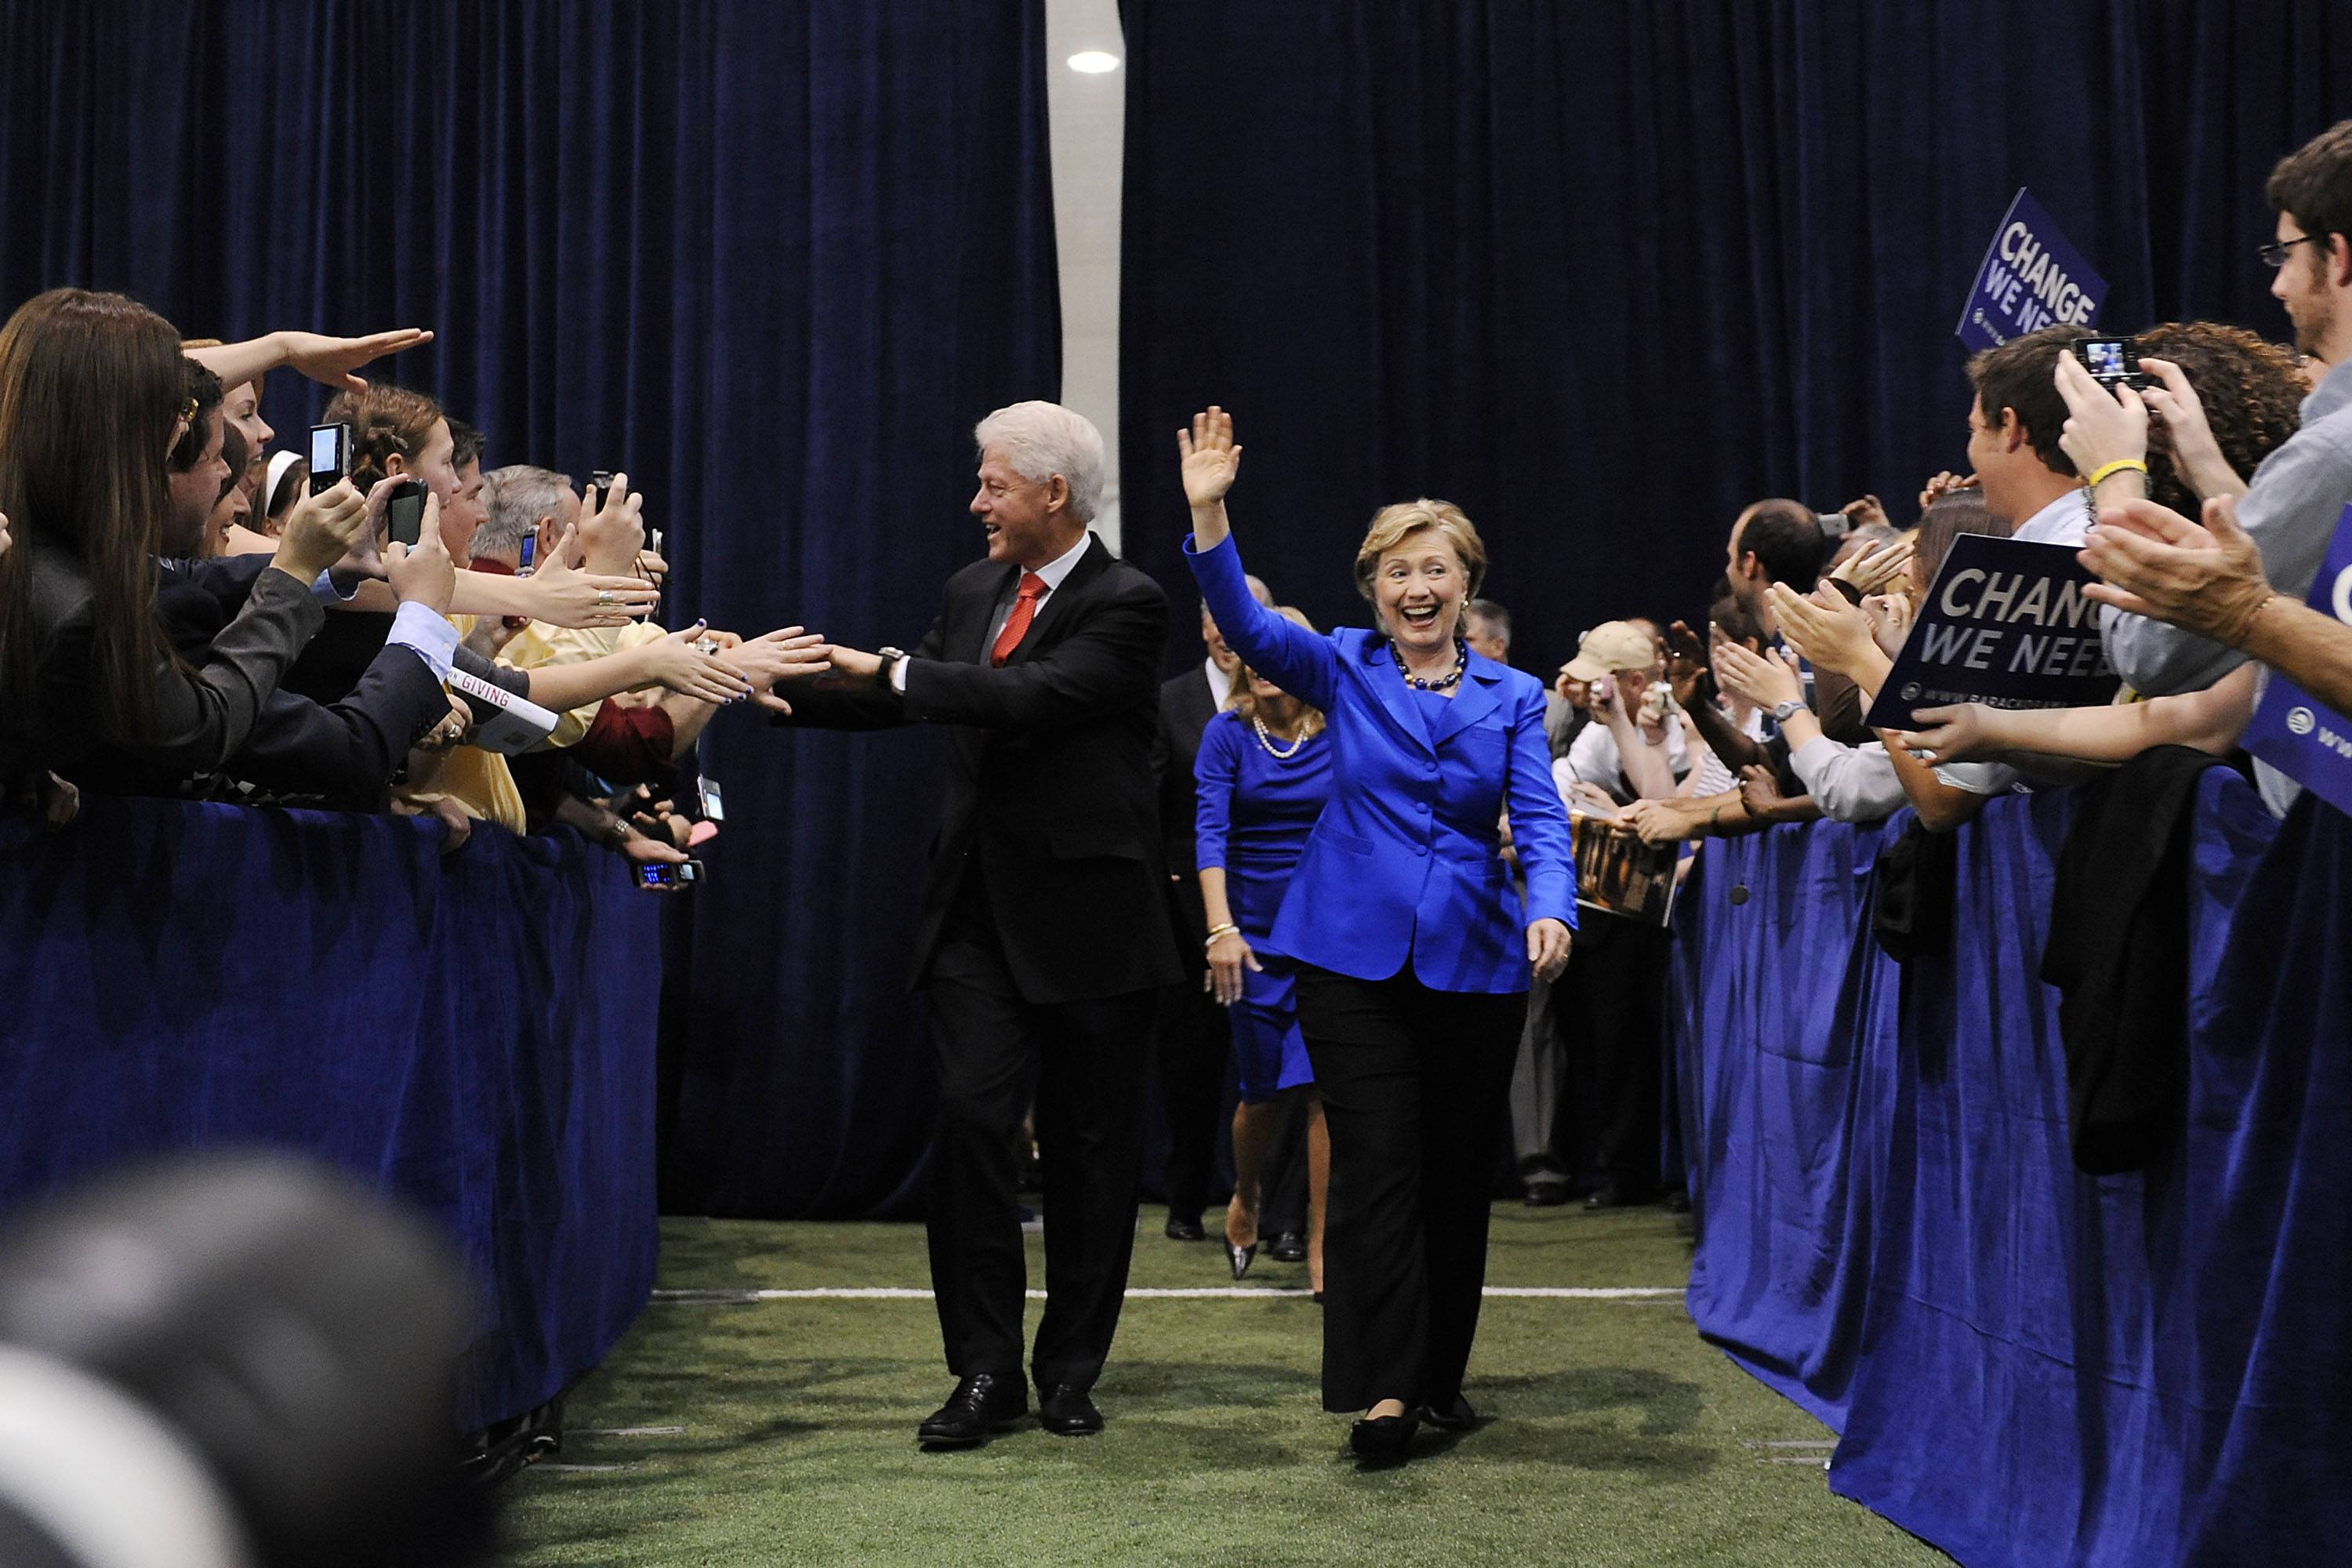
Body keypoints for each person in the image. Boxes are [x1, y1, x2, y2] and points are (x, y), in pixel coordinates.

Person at [774, 400, 1177, 1448]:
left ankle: (1070, 1370)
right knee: (969, 1124)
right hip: (976, 918)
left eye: (994, 485)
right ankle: (986, 1370)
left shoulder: (1128, 602)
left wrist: (893, 671)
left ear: (1055, 492)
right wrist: (771, 684)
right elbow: (907, 697)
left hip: (1095, 924)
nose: (976, 503)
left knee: (1092, 1154)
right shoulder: (972, 590)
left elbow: (1032, 695)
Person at [1177, 406, 1573, 1464]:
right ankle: (1386, 1391)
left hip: (1475, 961)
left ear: (1465, 583)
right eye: (1398, 571)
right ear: (1374, 588)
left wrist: (1551, 903)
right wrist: (1211, 513)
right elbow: (1247, 626)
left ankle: (1438, 1376)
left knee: (1453, 1175)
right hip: (1347, 959)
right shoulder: (1342, 665)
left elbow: (1540, 817)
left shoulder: (1514, 695)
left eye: (1435, 568)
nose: (1417, 587)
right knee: (1379, 1162)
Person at [1194, 607, 1332, 1295]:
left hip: (1330, 934)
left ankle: (1323, 1242)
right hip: (1251, 936)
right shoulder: (1227, 734)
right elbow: (1210, 833)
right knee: (1264, 1093)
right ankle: (1246, 1192)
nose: (1261, 662)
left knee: (1326, 1090)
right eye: (1254, 650)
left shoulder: (1341, 728)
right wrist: (1221, 929)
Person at [1152, 577, 1270, 1246]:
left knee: (1281, 1071)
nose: (1228, 630)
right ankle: (1186, 1200)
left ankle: (1278, 1213)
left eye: (1242, 616)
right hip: (1185, 916)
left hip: (1273, 907)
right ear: (1203, 628)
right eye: (1218, 617)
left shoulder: (1292, 701)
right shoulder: (1169, 701)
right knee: (1190, 1067)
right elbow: (1150, 805)